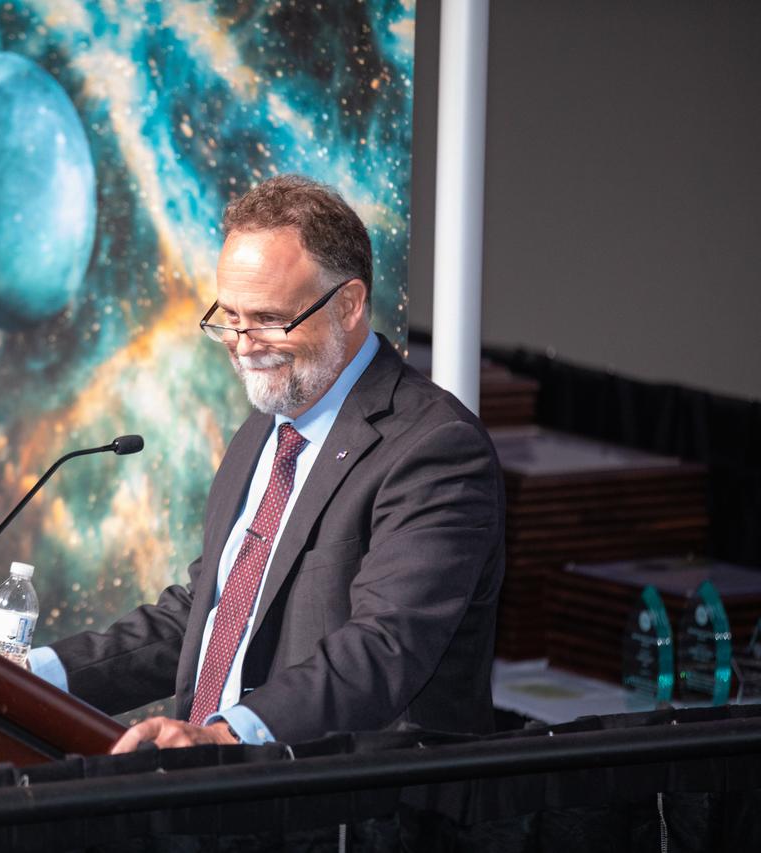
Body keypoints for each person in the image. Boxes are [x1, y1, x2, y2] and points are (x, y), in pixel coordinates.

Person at [27, 175, 505, 751]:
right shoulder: (266, 428)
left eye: (270, 317)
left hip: (348, 816)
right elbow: (209, 615)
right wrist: (32, 678)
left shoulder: (434, 448)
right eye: (229, 316)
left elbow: (383, 648)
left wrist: (230, 737)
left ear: (349, 305)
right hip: (217, 798)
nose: (243, 343)